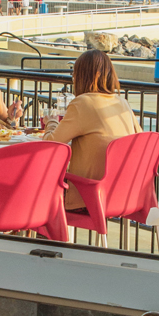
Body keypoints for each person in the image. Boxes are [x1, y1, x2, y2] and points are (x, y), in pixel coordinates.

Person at [43, 49, 139, 209]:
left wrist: (51, 122)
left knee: (37, 190)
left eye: (74, 75)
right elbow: (140, 139)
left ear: (81, 77)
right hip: (123, 193)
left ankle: (13, 232)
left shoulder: (83, 103)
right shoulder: (122, 104)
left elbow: (50, 144)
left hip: (88, 195)